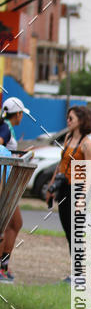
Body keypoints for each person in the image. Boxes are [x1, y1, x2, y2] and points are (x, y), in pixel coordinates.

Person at [45, 106, 91, 281]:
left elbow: (90, 172)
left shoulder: (87, 144)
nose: (68, 121)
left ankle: (79, 273)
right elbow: (60, 164)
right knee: (68, 231)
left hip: (78, 189)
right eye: (67, 118)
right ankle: (76, 271)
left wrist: (82, 196)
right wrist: (51, 187)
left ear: (81, 121)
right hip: (64, 187)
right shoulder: (67, 138)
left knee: (76, 232)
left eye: (71, 118)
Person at [0, 97, 30, 282]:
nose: (21, 118)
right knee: (7, 225)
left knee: (14, 224)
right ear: (18, 114)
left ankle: (4, 266)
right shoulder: (5, 128)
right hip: (5, 182)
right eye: (21, 114)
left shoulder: (6, 127)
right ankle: (2, 268)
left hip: (8, 181)